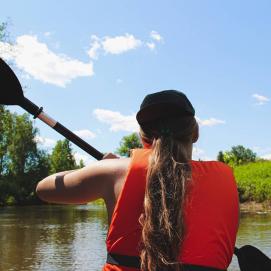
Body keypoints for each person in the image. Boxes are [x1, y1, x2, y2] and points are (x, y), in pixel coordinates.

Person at [36, 90, 239, 271]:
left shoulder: (113, 172)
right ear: (195, 133)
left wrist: (101, 168)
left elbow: (44, 188)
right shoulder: (226, 180)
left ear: (143, 138)